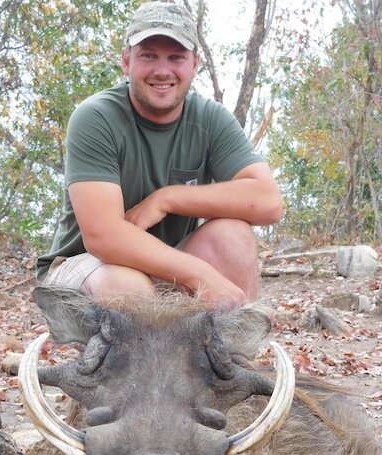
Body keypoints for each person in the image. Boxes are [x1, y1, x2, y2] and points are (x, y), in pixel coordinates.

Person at [37, 1, 283, 308]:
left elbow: (269, 202)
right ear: (126, 61)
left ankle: (230, 354)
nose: (162, 70)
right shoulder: (95, 117)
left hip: (167, 266)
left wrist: (168, 198)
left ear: (195, 64)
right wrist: (202, 276)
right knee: (128, 287)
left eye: (176, 57)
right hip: (87, 265)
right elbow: (102, 236)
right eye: (148, 55)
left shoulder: (211, 118)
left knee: (233, 236)